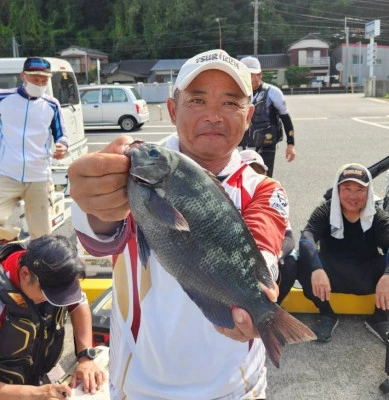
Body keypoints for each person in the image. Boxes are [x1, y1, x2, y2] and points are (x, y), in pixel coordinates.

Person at [69, 49, 290, 399]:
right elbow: (98, 237)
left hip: (236, 389)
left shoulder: (263, 188)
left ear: (248, 117)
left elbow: (264, 246)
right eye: (198, 100)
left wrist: (261, 296)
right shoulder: (130, 170)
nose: (214, 116)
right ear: (173, 109)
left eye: (231, 103)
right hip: (139, 387)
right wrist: (94, 198)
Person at [0, 234, 106, 399]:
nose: (55, 301)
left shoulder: (56, 271)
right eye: (49, 295)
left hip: (41, 371)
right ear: (25, 274)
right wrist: (35, 393)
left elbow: (78, 303)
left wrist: (86, 356)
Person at [298, 163, 389, 342]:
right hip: (331, 276)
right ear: (338, 190)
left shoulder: (377, 216)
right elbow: (306, 238)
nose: (352, 196)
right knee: (300, 261)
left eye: (359, 190)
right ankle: (327, 314)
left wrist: (387, 275)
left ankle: (380, 317)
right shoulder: (325, 211)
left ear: (368, 192)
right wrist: (316, 269)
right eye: (347, 188)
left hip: (366, 275)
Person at [0, 57, 68, 243]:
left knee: (42, 236)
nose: (39, 83)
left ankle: (38, 270)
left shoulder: (52, 104)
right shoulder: (3, 98)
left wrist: (63, 146)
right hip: (6, 173)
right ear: (23, 76)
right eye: (34, 78)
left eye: (44, 79)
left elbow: (61, 135)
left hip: (39, 176)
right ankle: (11, 236)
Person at [240, 149, 298, 305]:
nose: (253, 175)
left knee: (291, 264)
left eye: (257, 171)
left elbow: (289, 237)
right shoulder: (232, 194)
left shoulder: (272, 195)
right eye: (247, 171)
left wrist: (277, 254)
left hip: (268, 255)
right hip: (240, 255)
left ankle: (274, 305)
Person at [238, 56, 295, 177]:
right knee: (242, 179)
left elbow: (285, 118)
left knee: (264, 179)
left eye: (250, 75)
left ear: (259, 75)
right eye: (244, 74)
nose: (246, 78)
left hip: (266, 144)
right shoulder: (236, 93)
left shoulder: (272, 92)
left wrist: (291, 144)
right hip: (242, 145)